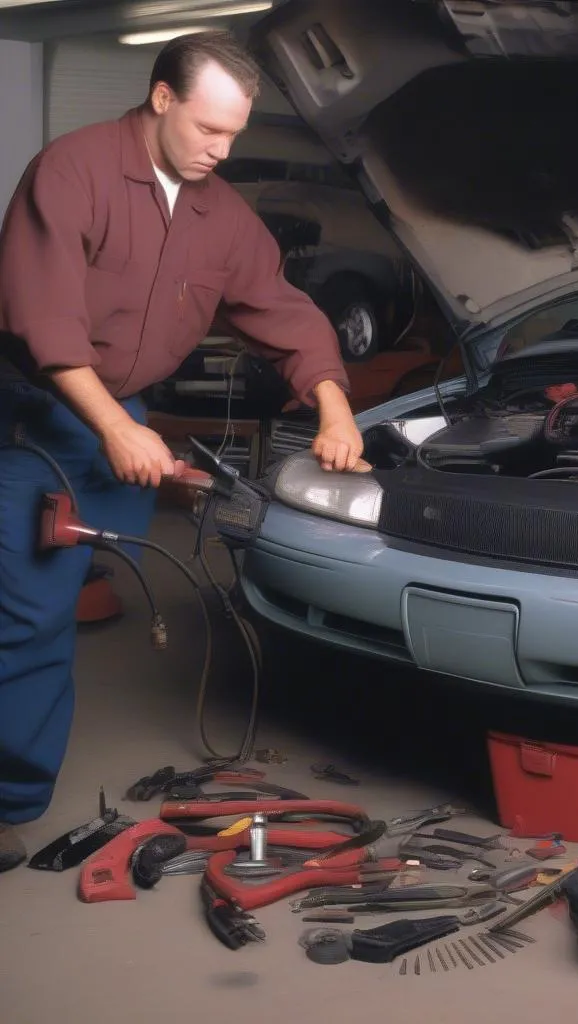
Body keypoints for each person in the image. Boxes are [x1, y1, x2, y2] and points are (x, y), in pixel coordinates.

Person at [0, 30, 368, 871]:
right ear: (161, 97)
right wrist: (116, 428)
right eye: (208, 129)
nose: (221, 149)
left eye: (234, 133)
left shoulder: (219, 212)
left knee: (94, 579)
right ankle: (8, 800)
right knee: (29, 615)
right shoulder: (73, 171)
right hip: (33, 408)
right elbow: (43, 320)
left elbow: (284, 311)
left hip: (118, 412)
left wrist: (334, 409)